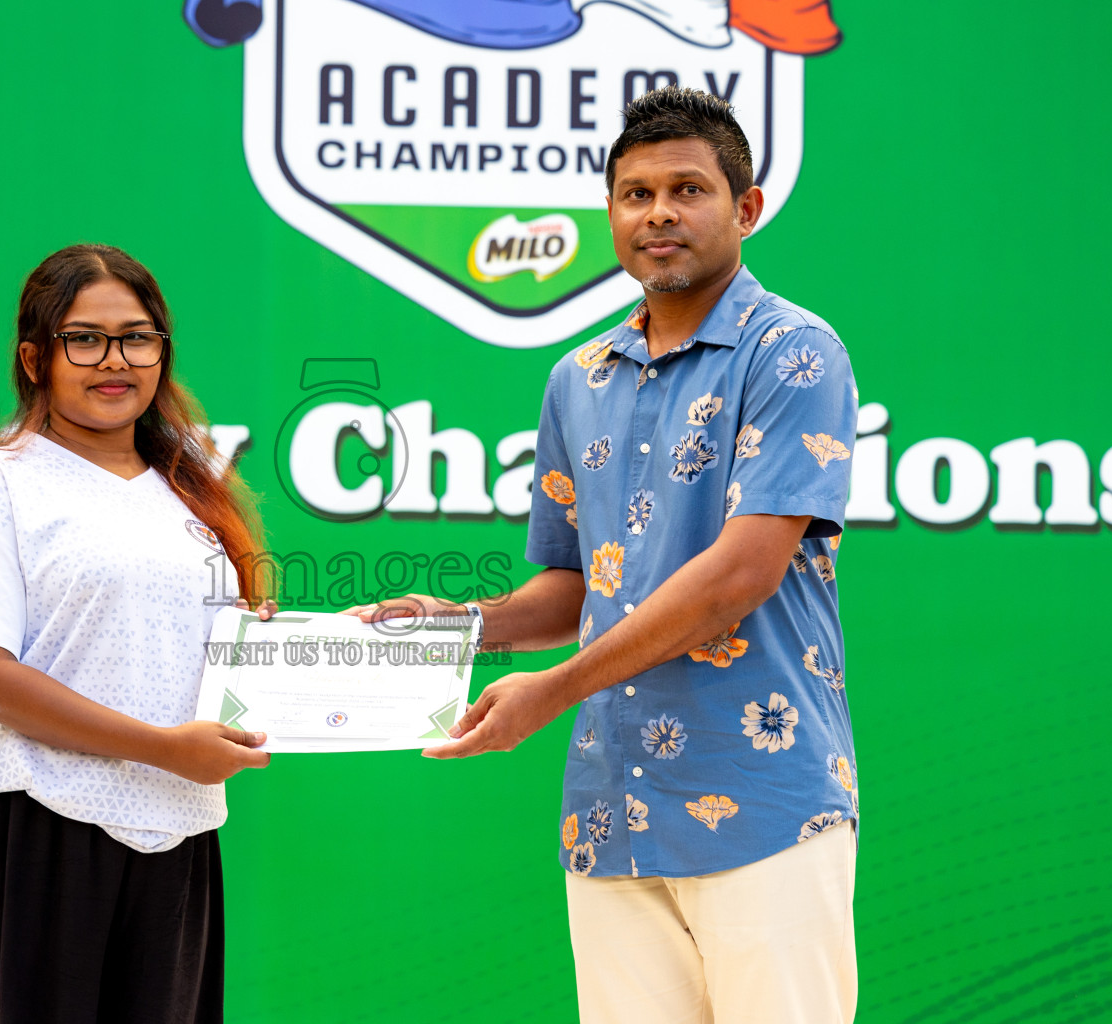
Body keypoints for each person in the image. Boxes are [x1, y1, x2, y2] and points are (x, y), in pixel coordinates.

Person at [352, 86, 860, 1024]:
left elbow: (736, 581)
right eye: (634, 193)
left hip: (764, 798)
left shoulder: (794, 353)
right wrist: (457, 627)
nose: (658, 212)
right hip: (612, 810)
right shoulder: (576, 376)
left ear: (744, 208)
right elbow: (573, 591)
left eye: (687, 190)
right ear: (611, 214)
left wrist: (553, 690)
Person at [0, 243, 272, 1024]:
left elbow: (230, 654)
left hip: (175, 833)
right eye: (86, 338)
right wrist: (162, 745)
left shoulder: (192, 494)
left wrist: (348, 646)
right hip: (31, 832)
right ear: (36, 357)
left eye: (138, 337)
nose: (116, 361)